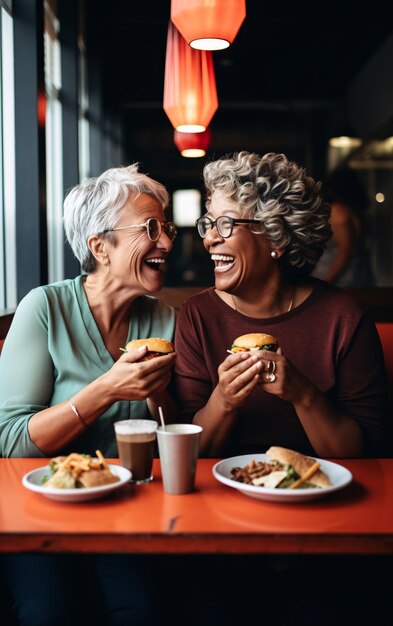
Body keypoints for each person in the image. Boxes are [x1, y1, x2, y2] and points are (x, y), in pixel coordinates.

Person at [0, 164, 178, 625]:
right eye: (150, 229)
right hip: (39, 505)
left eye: (167, 228)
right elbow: (10, 440)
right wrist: (106, 389)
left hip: (126, 506)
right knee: (48, 612)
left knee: (142, 611)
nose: (166, 243)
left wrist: (160, 400)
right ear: (100, 246)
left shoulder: (164, 319)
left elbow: (175, 434)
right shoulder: (45, 307)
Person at [174, 151, 387, 460]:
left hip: (323, 495)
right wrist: (224, 399)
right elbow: (190, 454)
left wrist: (303, 395)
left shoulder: (344, 318)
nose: (209, 238)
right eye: (208, 223)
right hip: (221, 495)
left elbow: (368, 452)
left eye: (226, 223)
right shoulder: (197, 315)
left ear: (277, 238)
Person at [313, 166, 375, 287]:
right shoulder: (354, 212)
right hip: (359, 275)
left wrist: (327, 279)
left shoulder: (338, 212)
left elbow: (345, 251)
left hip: (342, 279)